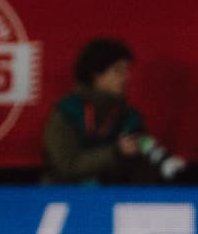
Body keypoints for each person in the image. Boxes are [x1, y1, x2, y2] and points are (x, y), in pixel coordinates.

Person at [41, 38, 184, 184]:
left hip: (116, 197)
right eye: (118, 71)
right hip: (66, 197)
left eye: (127, 70)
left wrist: (162, 163)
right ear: (96, 75)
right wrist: (115, 152)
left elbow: (144, 159)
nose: (126, 77)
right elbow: (67, 166)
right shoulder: (67, 113)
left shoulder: (129, 117)